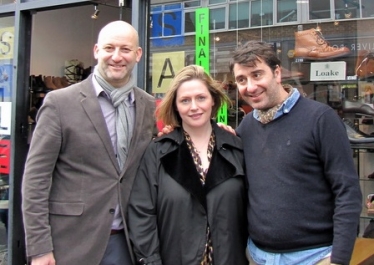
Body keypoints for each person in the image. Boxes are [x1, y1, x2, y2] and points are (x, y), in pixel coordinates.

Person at [21, 20, 157, 265]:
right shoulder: (60, 103)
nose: (116, 57)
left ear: (137, 55)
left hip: (127, 243)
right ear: (96, 51)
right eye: (109, 48)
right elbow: (35, 180)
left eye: (125, 49)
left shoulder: (146, 105)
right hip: (71, 244)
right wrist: (40, 249)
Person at [229, 41, 362, 265]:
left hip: (314, 257)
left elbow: (347, 192)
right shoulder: (245, 129)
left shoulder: (321, 119)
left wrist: (338, 260)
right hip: (257, 255)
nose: (250, 87)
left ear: (277, 73)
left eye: (257, 75)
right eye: (242, 80)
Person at [127, 65, 248, 265]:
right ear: (175, 106)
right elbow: (142, 213)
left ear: (213, 100)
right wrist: (151, 261)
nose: (194, 107)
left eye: (201, 97)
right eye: (185, 100)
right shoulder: (158, 151)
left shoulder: (236, 148)